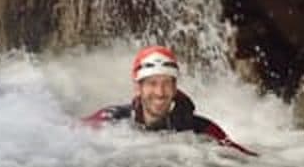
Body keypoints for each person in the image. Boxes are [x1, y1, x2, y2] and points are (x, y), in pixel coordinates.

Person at [82, 45, 258, 156]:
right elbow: (67, 135)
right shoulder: (111, 119)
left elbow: (244, 157)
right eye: (152, 84)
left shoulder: (200, 128)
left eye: (166, 84)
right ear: (138, 88)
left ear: (175, 89)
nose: (160, 92)